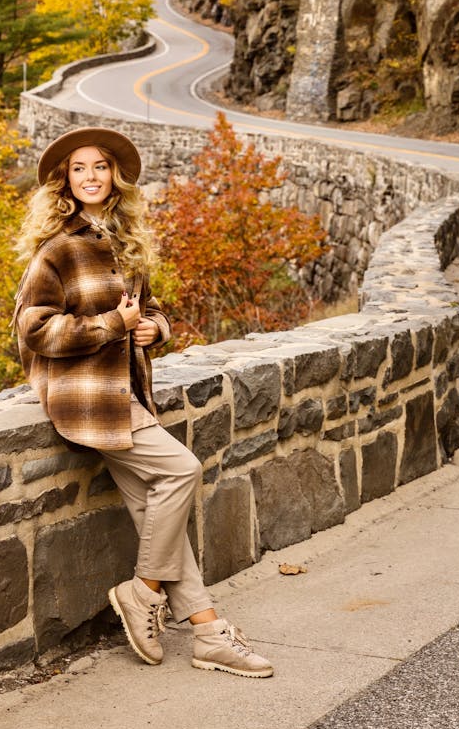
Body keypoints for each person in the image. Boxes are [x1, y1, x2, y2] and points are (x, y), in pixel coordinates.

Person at [14, 125, 273, 678]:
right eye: (79, 168)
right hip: (87, 398)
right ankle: (141, 592)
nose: (90, 177)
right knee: (181, 470)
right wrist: (112, 324)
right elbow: (33, 331)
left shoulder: (125, 245)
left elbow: (150, 310)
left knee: (152, 509)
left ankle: (206, 633)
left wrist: (156, 329)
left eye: (100, 167)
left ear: (116, 177)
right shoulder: (58, 250)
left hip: (127, 391)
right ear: (65, 180)